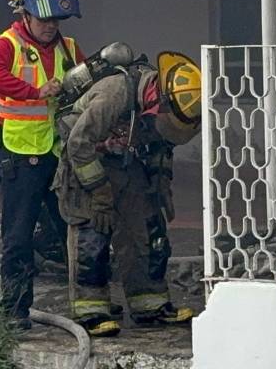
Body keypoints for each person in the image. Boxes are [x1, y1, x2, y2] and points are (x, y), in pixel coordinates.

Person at [55, 49, 200, 337]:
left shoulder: (161, 103)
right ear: (157, 99)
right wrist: (98, 191)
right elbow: (77, 145)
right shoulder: (114, 94)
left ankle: (149, 304)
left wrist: (160, 183)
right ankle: (91, 311)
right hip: (86, 163)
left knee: (146, 227)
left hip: (124, 162)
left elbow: (161, 144)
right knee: (92, 234)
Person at [0, 0, 86, 329]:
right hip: (20, 151)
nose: (49, 27)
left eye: (55, 20)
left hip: (59, 151)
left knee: (73, 228)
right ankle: (15, 311)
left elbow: (86, 85)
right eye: (43, 20)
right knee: (18, 235)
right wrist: (34, 91)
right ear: (26, 15)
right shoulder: (7, 44)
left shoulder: (69, 47)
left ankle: (89, 305)